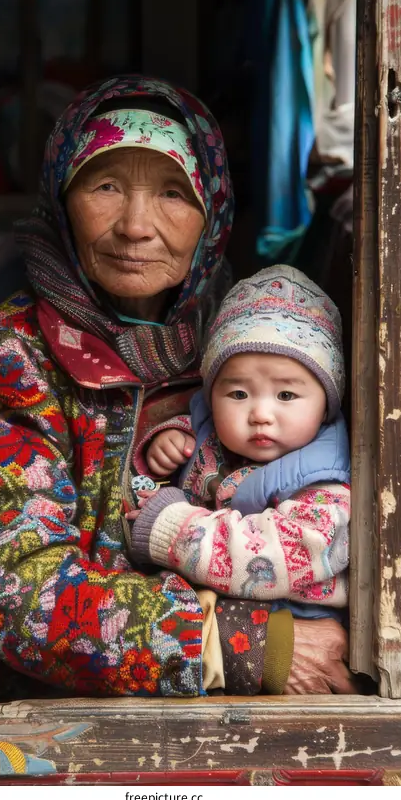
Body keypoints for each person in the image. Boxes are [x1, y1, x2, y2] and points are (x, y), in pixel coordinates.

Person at [0, 75, 357, 697]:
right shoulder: (10, 357)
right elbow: (15, 588)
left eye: (174, 192)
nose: (136, 226)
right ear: (60, 199)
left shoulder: (263, 342)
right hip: (63, 716)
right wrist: (241, 642)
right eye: (105, 186)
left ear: (213, 212)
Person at [129, 266, 350, 625]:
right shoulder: (212, 434)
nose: (260, 414)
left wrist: (171, 527)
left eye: (286, 395)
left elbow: (272, 556)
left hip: (292, 622)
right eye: (238, 394)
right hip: (222, 615)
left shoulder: (325, 486)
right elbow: (196, 443)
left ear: (326, 405)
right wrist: (170, 441)